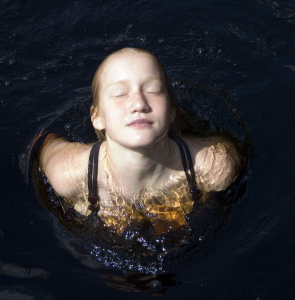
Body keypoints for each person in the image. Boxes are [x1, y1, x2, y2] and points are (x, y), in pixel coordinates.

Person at [37, 47, 243, 235]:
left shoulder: (213, 167)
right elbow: (41, 144)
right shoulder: (67, 174)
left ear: (171, 110)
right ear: (96, 117)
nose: (138, 103)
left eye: (153, 91)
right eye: (119, 94)